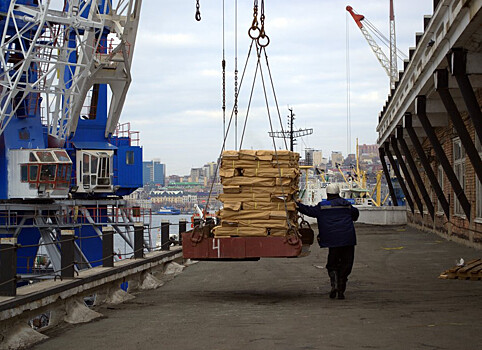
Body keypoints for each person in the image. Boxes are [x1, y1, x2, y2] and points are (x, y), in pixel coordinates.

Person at [296, 184, 359, 299]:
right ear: (338, 193)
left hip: (332, 240)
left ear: (327, 194)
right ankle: (341, 288)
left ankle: (334, 283)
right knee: (346, 264)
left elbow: (309, 210)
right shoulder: (347, 205)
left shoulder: (322, 206)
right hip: (347, 239)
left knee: (332, 263)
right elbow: (355, 215)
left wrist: (296, 205)